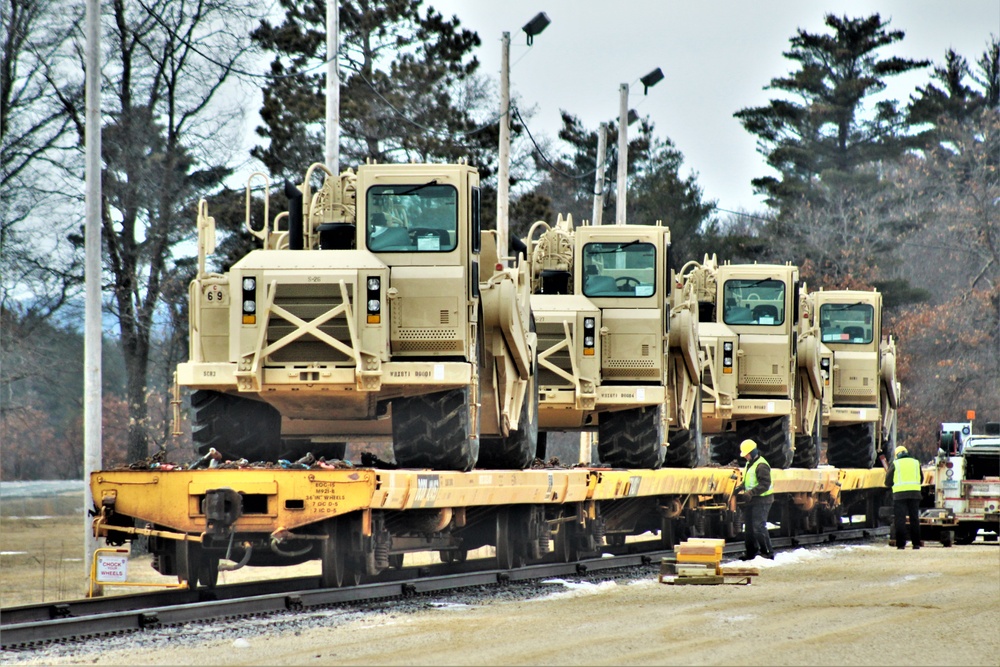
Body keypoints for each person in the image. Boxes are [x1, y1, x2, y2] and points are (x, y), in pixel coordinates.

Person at [735, 438, 775, 560]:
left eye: (746, 454)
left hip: (763, 500)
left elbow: (765, 484)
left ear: (752, 453)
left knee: (759, 526)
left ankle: (767, 552)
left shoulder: (762, 465)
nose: (745, 457)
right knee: (749, 528)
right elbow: (748, 480)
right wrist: (740, 487)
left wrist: (751, 493)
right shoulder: (750, 464)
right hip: (752, 500)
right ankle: (751, 552)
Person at [884, 445, 923, 549]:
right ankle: (916, 544)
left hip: (900, 495)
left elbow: (887, 481)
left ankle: (901, 544)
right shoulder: (916, 462)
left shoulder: (895, 464)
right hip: (915, 494)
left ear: (896, 455)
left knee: (900, 520)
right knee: (914, 519)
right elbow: (921, 479)